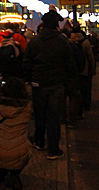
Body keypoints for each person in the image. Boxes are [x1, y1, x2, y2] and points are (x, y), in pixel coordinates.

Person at [25, 10, 76, 159]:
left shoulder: (35, 41)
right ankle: (53, 149)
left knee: (39, 114)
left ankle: (39, 141)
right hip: (56, 83)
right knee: (54, 116)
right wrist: (68, 80)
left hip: (38, 83)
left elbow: (27, 62)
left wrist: (29, 78)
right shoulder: (62, 41)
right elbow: (70, 63)